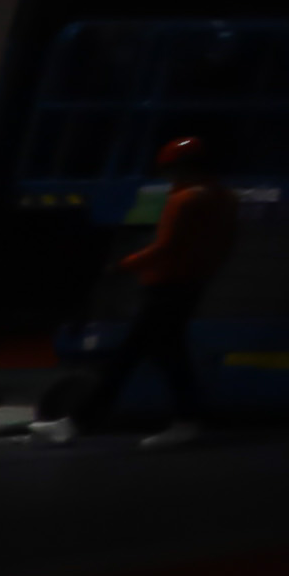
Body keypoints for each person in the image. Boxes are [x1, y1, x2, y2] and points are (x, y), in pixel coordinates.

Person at [39, 136, 239, 442]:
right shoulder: (225, 198)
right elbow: (223, 245)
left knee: (128, 357)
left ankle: (77, 424)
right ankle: (187, 421)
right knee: (168, 358)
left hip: (165, 288)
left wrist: (123, 265)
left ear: (179, 168)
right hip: (191, 285)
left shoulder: (183, 200)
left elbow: (166, 246)